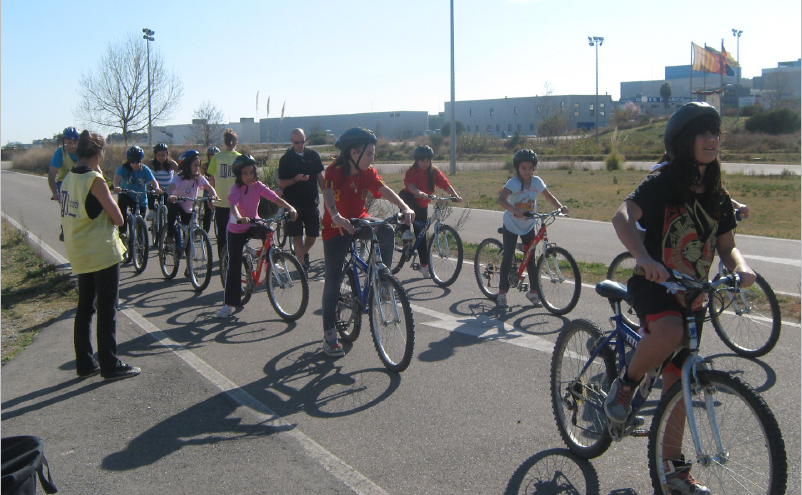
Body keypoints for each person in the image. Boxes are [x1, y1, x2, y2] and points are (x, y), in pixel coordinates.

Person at [607, 102, 756, 494]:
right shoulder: (664, 182)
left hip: (693, 296)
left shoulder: (717, 194)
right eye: (702, 133)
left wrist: (741, 267)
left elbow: (727, 245)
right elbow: (622, 215)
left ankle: (673, 471)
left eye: (715, 133)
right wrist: (642, 256)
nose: (711, 139)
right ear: (683, 141)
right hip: (653, 283)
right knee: (669, 331)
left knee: (678, 387)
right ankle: (626, 383)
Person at [320, 128, 415, 357]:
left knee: (385, 230)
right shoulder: (334, 171)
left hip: (359, 220)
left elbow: (383, 189)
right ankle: (330, 335)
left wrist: (404, 207)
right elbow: (328, 195)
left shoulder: (368, 172)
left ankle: (381, 281)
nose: (373, 158)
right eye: (369, 154)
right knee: (333, 279)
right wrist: (335, 216)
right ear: (354, 152)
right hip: (336, 226)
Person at [59, 130, 140, 381]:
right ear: (98, 153)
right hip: (101, 251)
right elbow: (118, 218)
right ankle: (109, 364)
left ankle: (84, 362)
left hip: (79, 251)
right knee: (107, 309)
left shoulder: (69, 179)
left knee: (85, 308)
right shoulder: (95, 180)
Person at [215, 154, 296, 319]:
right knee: (234, 265)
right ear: (239, 174)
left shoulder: (257, 185)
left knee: (268, 231)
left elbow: (273, 197)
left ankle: (270, 259)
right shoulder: (235, 188)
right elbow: (233, 204)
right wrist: (238, 217)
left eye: (251, 172)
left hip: (253, 222)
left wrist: (290, 207)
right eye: (245, 173)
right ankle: (228, 305)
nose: (248, 176)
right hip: (237, 228)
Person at [496, 149, 568, 309]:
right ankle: (501, 292)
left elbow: (548, 196)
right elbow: (501, 200)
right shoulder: (513, 183)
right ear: (517, 168)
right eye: (523, 168)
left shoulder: (537, 182)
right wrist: (514, 210)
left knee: (531, 258)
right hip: (511, 224)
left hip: (528, 223)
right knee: (508, 256)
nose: (527, 171)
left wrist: (560, 207)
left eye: (530, 167)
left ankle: (533, 292)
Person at [398, 144, 463, 278]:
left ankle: (424, 266)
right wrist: (418, 192)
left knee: (422, 235)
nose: (425, 163)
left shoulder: (434, 172)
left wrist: (455, 196)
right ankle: (405, 231)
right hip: (410, 199)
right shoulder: (412, 171)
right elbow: (409, 184)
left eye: (427, 160)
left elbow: (445, 184)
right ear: (416, 160)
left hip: (422, 205)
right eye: (422, 160)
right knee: (405, 203)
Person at [278, 128, 325, 272]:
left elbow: (320, 177)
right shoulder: (286, 159)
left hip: (311, 202)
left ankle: (304, 253)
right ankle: (302, 267)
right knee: (297, 236)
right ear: (291, 141)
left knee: (312, 236)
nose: (300, 144)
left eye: (302, 141)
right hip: (293, 205)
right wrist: (295, 179)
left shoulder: (313, 155)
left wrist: (329, 195)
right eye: (297, 142)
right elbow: (282, 183)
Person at [165, 150, 219, 241]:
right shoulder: (179, 177)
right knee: (172, 206)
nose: (197, 168)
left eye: (199, 165)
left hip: (189, 208)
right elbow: (171, 187)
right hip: (179, 204)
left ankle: (187, 252)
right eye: (195, 165)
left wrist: (214, 195)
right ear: (186, 165)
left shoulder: (198, 177)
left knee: (188, 235)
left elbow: (208, 186)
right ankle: (169, 233)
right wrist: (171, 196)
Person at [206, 129, 241, 258]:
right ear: (236, 142)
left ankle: (223, 257)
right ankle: (235, 255)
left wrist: (211, 197)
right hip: (236, 202)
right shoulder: (240, 158)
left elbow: (212, 180)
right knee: (237, 230)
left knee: (222, 232)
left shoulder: (217, 157)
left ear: (225, 142)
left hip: (221, 201)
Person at [113, 146, 162, 238]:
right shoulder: (123, 168)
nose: (135, 165)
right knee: (122, 204)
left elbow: (153, 180)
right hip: (127, 194)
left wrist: (157, 188)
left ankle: (141, 242)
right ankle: (123, 231)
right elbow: (117, 178)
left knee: (140, 223)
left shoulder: (145, 169)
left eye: (137, 162)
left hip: (140, 197)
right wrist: (117, 186)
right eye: (132, 162)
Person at [49, 126, 80, 241]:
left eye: (75, 142)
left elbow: (96, 169)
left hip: (81, 182)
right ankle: (65, 226)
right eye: (70, 142)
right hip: (63, 183)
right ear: (65, 141)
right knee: (67, 205)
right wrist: (55, 192)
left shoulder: (83, 151)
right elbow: (52, 174)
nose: (73, 145)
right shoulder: (60, 152)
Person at [147, 143, 178, 221]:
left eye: (163, 155)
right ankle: (152, 210)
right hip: (155, 188)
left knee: (168, 206)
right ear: (155, 155)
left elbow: (180, 174)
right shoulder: (151, 164)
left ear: (167, 155)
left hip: (167, 189)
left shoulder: (172, 164)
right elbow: (145, 175)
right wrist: (147, 184)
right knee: (150, 193)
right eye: (158, 155)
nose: (161, 157)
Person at [199, 146, 220, 233]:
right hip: (208, 187)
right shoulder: (205, 166)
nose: (213, 157)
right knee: (208, 211)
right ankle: (205, 231)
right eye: (211, 155)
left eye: (215, 155)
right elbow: (200, 176)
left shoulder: (220, 165)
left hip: (218, 187)